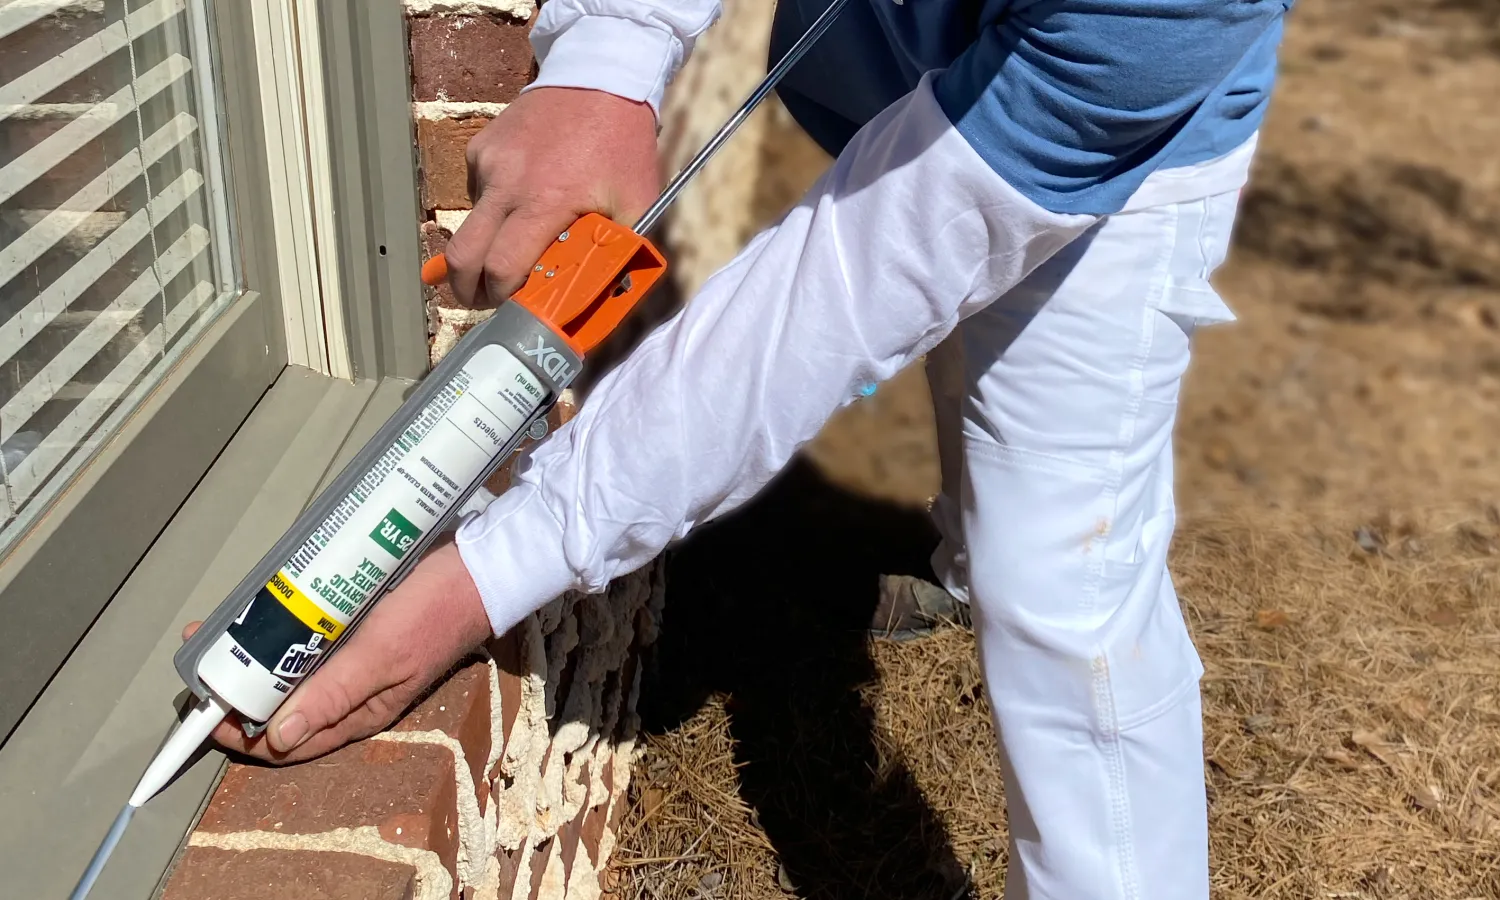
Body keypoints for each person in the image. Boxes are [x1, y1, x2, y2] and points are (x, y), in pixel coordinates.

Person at [194, 1, 1293, 896]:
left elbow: (849, 291)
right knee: (971, 395)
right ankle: (965, 548)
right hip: (888, 63)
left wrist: (496, 565)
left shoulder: (1158, 16)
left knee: (1061, 577)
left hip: (1113, 137)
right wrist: (609, 53)